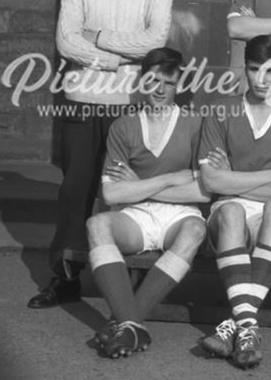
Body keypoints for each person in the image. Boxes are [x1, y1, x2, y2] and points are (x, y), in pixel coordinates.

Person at [29, 0, 172, 309]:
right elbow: (66, 42)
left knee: (127, 192)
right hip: (82, 105)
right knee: (76, 192)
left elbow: (153, 43)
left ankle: (128, 285)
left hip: (129, 106)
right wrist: (113, 60)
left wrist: (101, 36)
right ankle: (65, 278)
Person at [197, 35, 271, 369]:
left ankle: (238, 322)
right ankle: (246, 326)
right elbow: (211, 181)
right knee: (231, 210)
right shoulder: (222, 109)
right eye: (254, 70)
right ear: (244, 69)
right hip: (229, 212)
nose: (263, 80)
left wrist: (235, 176)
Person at [85, 48, 208, 358]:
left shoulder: (195, 124)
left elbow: (203, 192)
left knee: (195, 229)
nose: (159, 89)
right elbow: (112, 194)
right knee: (97, 223)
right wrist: (167, 179)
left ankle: (125, 324)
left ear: (178, 84)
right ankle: (132, 326)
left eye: (168, 82)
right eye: (153, 80)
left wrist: (137, 185)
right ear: (142, 81)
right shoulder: (123, 126)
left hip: (179, 214)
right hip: (136, 215)